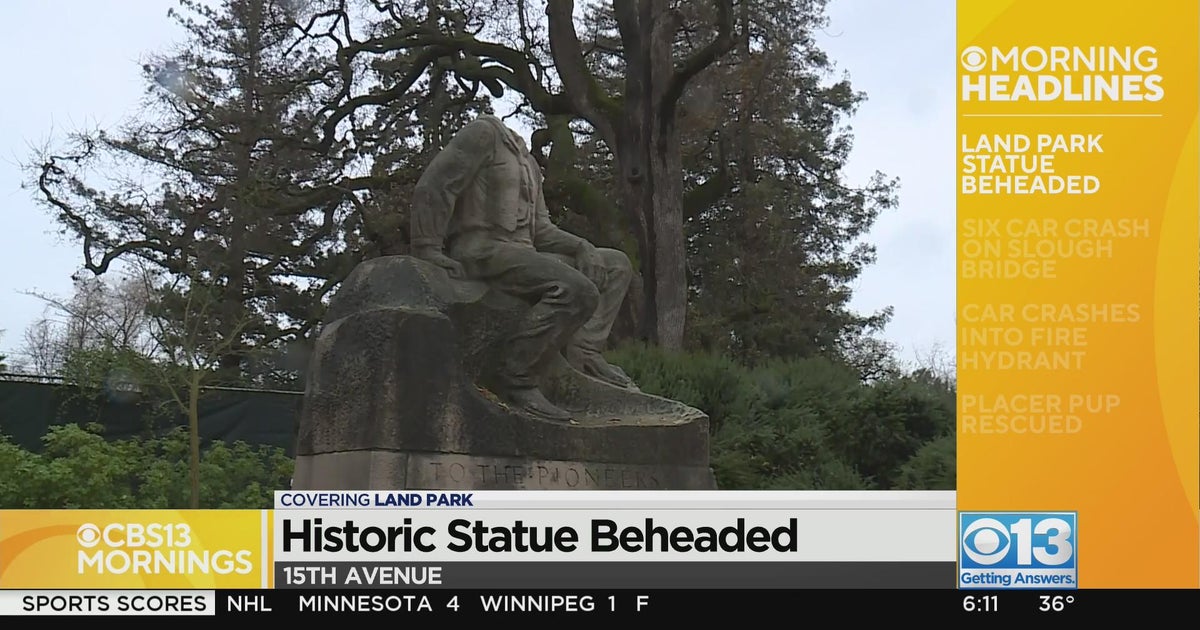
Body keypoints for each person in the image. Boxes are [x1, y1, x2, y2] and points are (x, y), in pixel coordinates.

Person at [410, 114, 634, 421]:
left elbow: (540, 229)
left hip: (523, 254)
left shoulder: (528, 161)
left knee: (616, 266)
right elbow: (435, 185)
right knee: (576, 290)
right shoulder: (483, 134)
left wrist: (582, 247)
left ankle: (585, 353)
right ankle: (516, 375)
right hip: (482, 250)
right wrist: (428, 248)